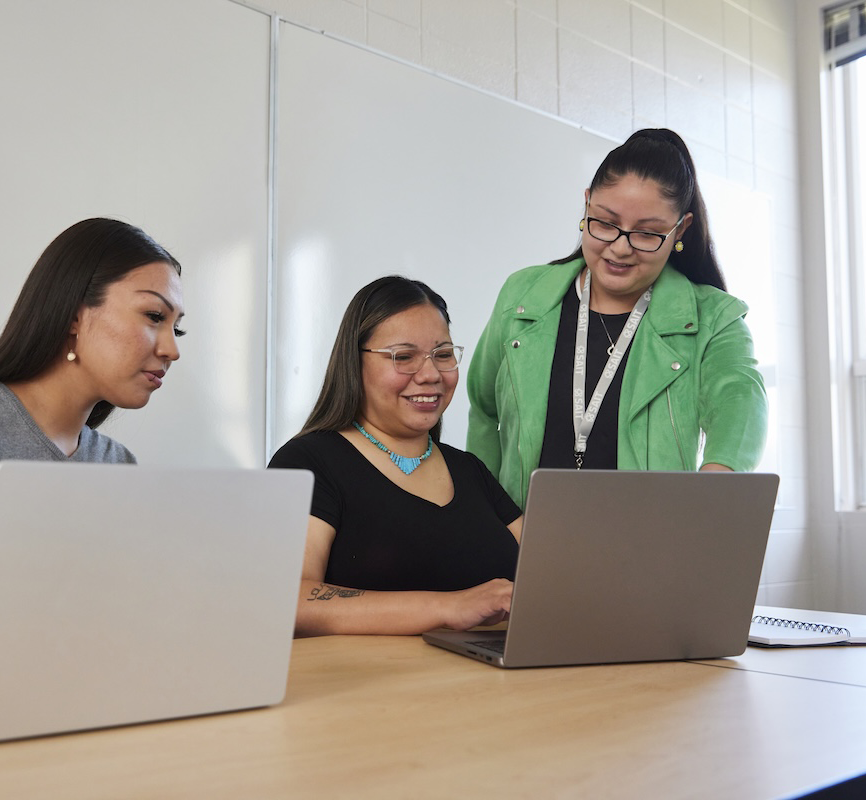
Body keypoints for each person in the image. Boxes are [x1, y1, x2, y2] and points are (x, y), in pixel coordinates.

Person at [0, 218, 185, 675]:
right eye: (155, 317)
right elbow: (68, 643)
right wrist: (33, 647)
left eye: (178, 328)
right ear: (75, 315)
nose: (172, 349)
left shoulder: (118, 465)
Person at [467, 128, 768, 509]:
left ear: (681, 230)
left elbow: (741, 402)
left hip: (647, 550)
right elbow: (483, 409)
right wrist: (489, 524)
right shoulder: (523, 296)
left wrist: (710, 493)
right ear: (587, 204)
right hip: (523, 549)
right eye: (606, 223)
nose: (621, 248)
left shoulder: (713, 318)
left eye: (648, 233)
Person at [269, 276, 522, 637]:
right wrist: (449, 607)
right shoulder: (307, 462)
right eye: (403, 357)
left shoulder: (470, 470)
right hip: (370, 688)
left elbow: (548, 575)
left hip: (494, 686)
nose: (431, 374)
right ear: (354, 363)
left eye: (444, 354)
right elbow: (290, 598)